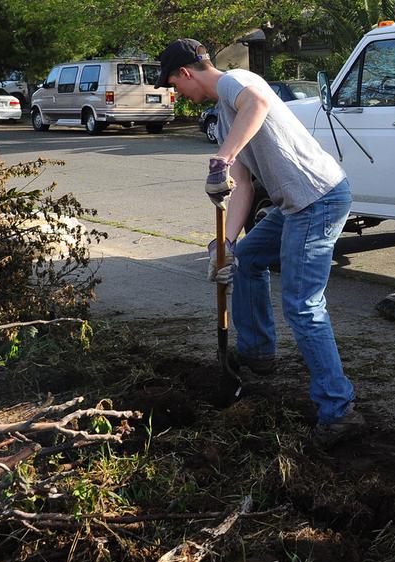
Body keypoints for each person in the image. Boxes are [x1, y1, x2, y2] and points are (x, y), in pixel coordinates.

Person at [154, 38, 365, 449]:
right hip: (294, 205)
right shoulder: (222, 111)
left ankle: (339, 412)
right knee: (246, 259)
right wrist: (225, 243)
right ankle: (257, 353)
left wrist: (222, 159)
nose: (180, 95)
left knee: (303, 306)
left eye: (176, 87)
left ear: (185, 73)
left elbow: (258, 105)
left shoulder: (236, 81)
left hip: (318, 199)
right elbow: (246, 187)